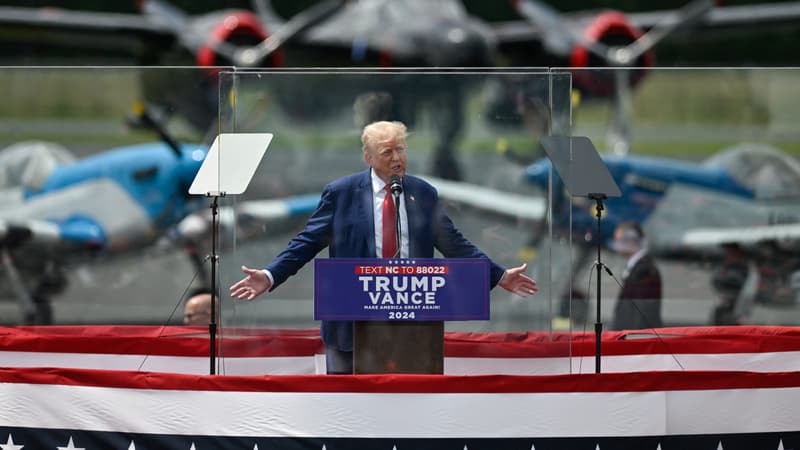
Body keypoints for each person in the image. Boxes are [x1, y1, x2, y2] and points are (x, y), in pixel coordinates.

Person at [230, 120, 538, 374]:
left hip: (412, 324)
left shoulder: (422, 193)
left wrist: (498, 276)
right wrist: (270, 275)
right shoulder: (342, 194)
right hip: (351, 325)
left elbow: (453, 242)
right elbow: (306, 242)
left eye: (400, 149)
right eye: (387, 151)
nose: (396, 158)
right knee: (348, 409)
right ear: (368, 157)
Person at [610, 221, 662, 330]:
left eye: (619, 240)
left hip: (635, 337)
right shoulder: (640, 268)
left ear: (631, 240)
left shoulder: (644, 270)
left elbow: (643, 311)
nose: (616, 245)